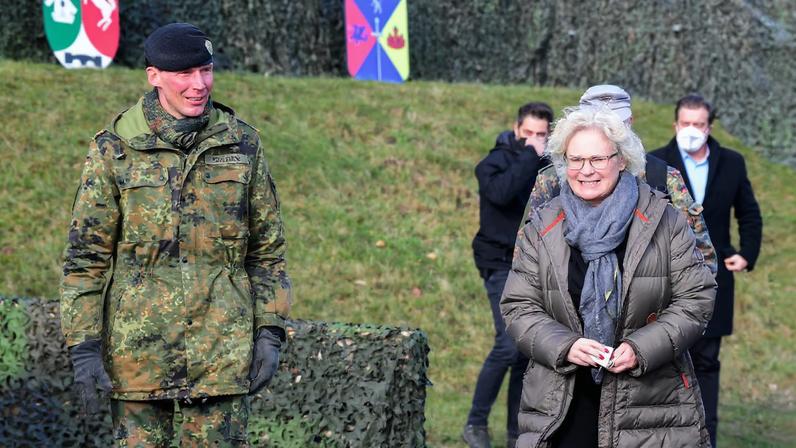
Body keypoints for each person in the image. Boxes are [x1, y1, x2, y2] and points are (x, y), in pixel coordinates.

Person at [59, 23, 292, 446]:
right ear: (154, 76)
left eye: (205, 70)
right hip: (138, 366)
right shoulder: (115, 149)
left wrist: (270, 331)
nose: (198, 85)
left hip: (221, 365)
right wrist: (84, 347)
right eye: (184, 74)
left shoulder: (242, 145)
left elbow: (268, 252)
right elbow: (85, 259)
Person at [501, 106, 716, 448]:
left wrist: (640, 348)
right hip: (560, 408)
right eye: (576, 160)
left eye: (598, 159)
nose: (586, 171)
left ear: (622, 160)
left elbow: (696, 300)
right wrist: (566, 345)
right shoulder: (543, 225)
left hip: (649, 410)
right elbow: (518, 306)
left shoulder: (664, 220)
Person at [651, 94, 762, 447]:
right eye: (686, 123)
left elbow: (749, 212)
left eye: (699, 124)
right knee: (663, 358)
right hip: (665, 277)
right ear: (675, 124)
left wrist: (746, 254)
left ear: (709, 126)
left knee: (707, 362)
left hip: (715, 278)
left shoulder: (731, 163)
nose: (692, 130)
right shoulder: (655, 163)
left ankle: (704, 438)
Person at [525, 85, 718, 275]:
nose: (610, 132)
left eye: (617, 123)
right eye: (599, 124)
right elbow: (526, 258)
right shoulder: (552, 179)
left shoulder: (662, 177)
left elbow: (702, 260)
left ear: (630, 122)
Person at [465, 102, 554, 448]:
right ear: (516, 130)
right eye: (528, 133)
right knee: (506, 344)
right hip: (499, 262)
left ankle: (517, 433)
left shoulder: (549, 167)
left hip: (533, 265)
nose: (534, 140)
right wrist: (532, 156)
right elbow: (501, 194)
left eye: (541, 135)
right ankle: (475, 422)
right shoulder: (494, 162)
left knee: (525, 349)